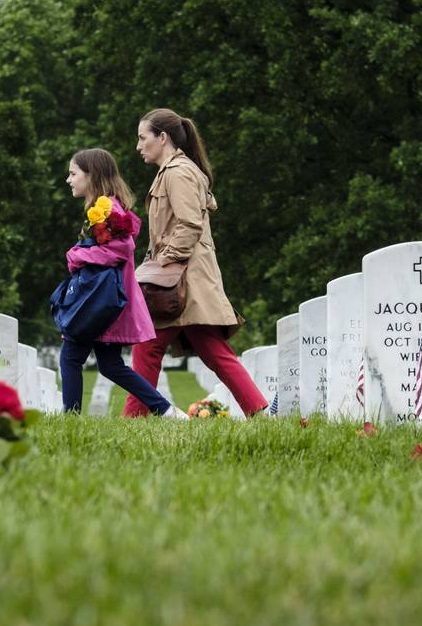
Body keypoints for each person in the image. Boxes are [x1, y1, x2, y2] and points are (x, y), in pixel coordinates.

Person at [123, 109, 270, 417]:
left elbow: (189, 225)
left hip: (181, 281)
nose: (138, 146)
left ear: (162, 138)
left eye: (142, 137)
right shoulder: (174, 172)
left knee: (148, 346)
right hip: (184, 282)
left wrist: (160, 264)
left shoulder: (178, 173)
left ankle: (132, 421)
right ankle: (260, 412)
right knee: (208, 352)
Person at [60, 148, 187, 418]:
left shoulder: (109, 208)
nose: (68, 180)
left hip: (100, 303)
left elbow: (122, 248)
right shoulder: (103, 206)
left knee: (70, 356)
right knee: (110, 365)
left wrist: (76, 254)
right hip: (104, 302)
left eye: (73, 173)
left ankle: (69, 419)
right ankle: (166, 411)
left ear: (91, 175)